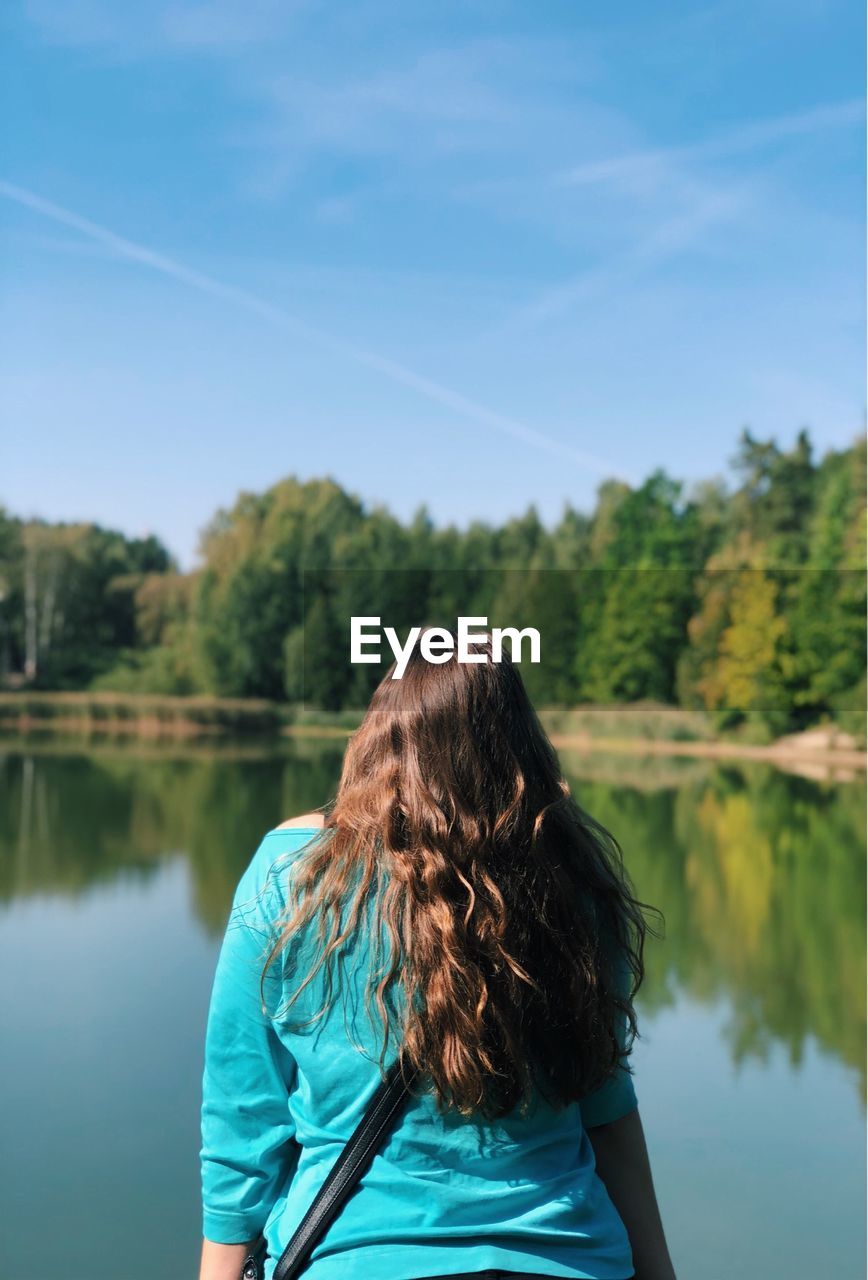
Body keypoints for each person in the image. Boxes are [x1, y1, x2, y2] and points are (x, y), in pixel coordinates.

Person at [199, 634, 677, 1280]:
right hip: (565, 1260)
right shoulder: (568, 882)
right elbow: (609, 1117)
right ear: (518, 748)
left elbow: (242, 1136)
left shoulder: (288, 878)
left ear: (376, 739)